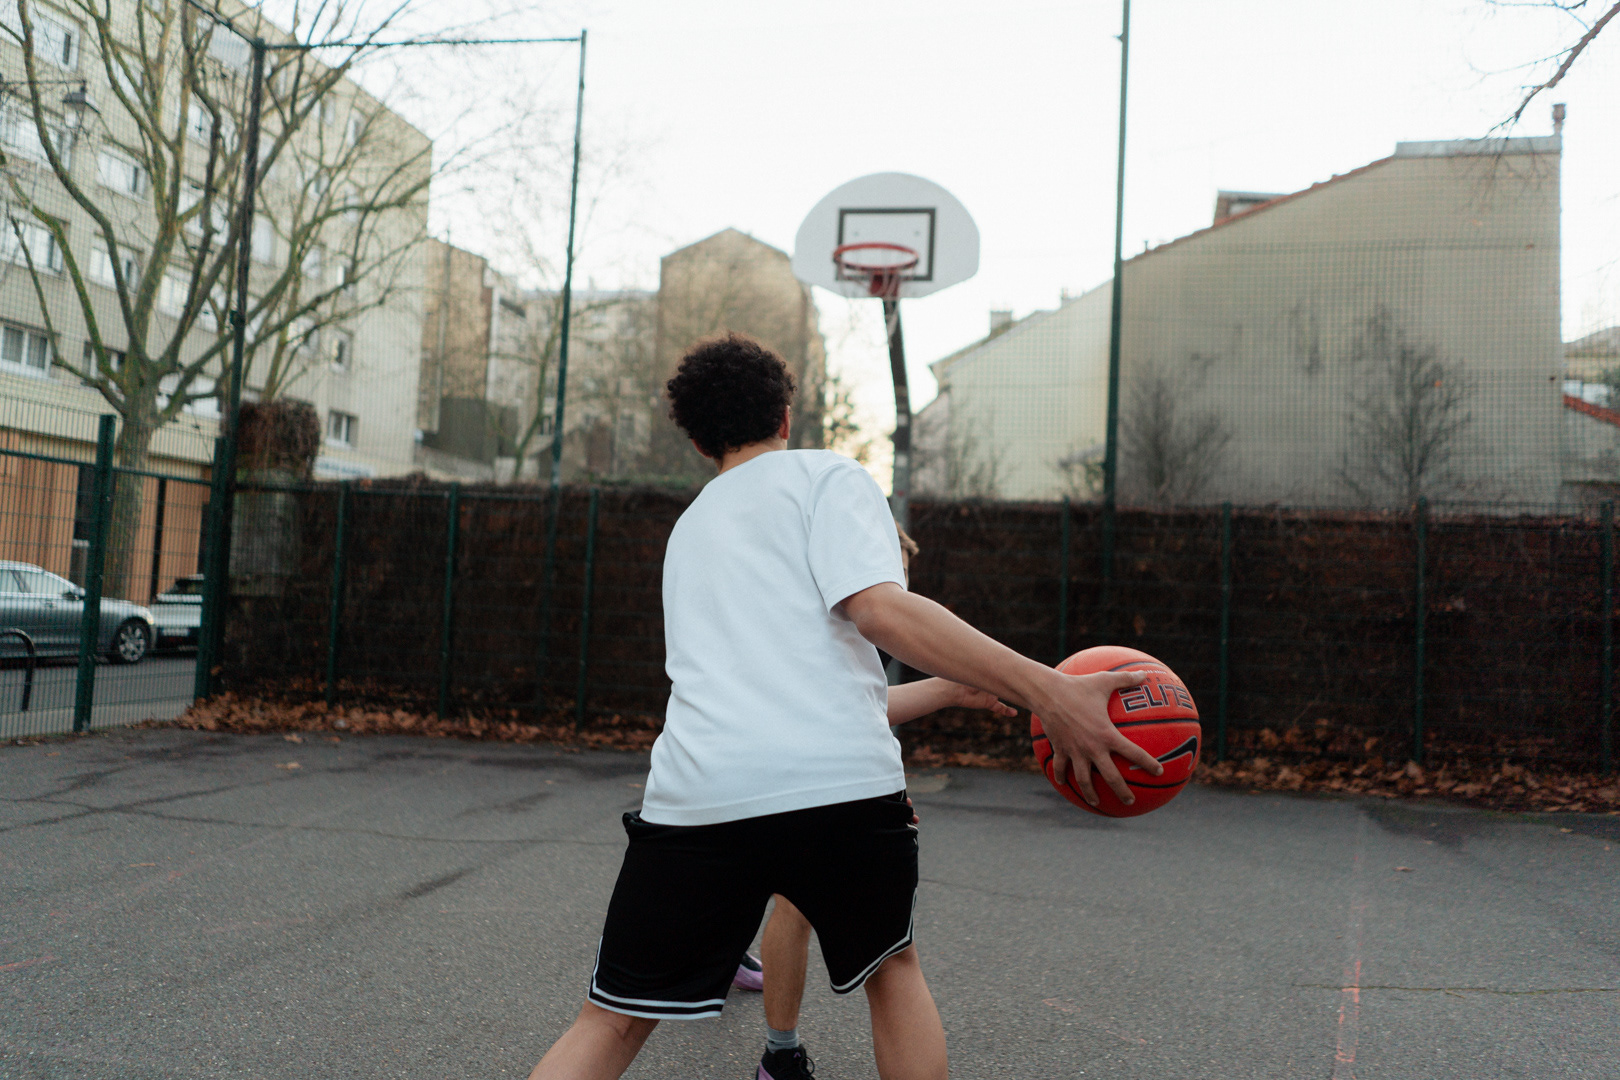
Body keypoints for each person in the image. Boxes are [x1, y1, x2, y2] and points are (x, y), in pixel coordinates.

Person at [527, 333, 1161, 1080]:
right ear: (785, 416)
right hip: (840, 792)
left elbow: (791, 696)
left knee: (610, 1021)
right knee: (893, 973)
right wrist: (1047, 689)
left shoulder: (688, 532)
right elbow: (880, 611)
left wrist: (950, 687)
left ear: (699, 442)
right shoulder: (828, 476)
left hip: (700, 796)